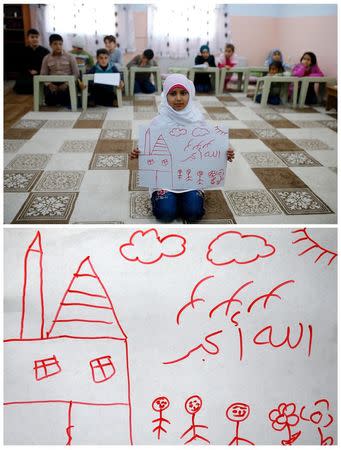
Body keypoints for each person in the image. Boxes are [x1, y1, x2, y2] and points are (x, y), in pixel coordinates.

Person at [130, 74, 235, 223]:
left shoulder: (197, 119)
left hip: (190, 178)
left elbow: (212, 142)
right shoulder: (159, 121)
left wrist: (226, 150)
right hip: (164, 180)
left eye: (183, 93)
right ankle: (169, 200)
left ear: (190, 94)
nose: (178, 98)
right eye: (173, 94)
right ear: (165, 96)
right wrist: (138, 151)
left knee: (193, 214)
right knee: (165, 214)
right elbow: (147, 146)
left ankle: (185, 199)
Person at [40, 34, 80, 106]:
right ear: (50, 45)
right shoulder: (46, 58)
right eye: (55, 44)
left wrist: (66, 84)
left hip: (67, 83)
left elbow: (76, 74)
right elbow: (43, 74)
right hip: (52, 83)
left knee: (66, 101)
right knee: (50, 102)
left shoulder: (70, 57)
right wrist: (49, 84)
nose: (58, 46)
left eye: (60, 44)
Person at [13, 28, 49, 94]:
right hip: (27, 73)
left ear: (39, 38)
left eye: (36, 37)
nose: (35, 39)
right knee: (20, 86)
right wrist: (29, 70)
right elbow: (20, 64)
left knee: (44, 86)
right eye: (32, 37)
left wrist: (37, 70)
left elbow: (47, 64)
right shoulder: (23, 50)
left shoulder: (45, 51)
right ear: (28, 38)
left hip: (40, 72)